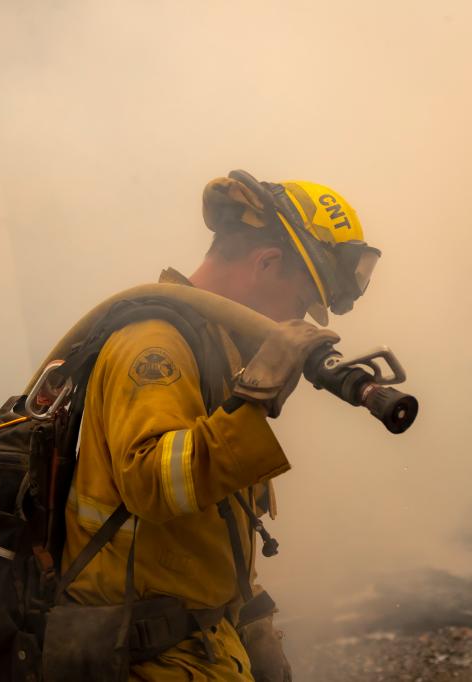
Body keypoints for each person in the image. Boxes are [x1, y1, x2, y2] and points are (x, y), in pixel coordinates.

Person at [59, 169, 380, 681]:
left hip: (199, 648)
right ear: (267, 262)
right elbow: (150, 481)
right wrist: (255, 402)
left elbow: (207, 529)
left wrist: (249, 622)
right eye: (301, 303)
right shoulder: (156, 346)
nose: (297, 321)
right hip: (145, 661)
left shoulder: (212, 352)